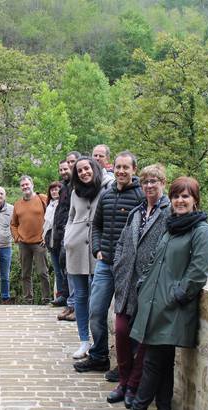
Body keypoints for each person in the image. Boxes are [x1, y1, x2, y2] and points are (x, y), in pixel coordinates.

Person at [129, 177, 208, 410]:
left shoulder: (202, 231)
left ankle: (137, 408)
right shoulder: (172, 227)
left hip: (172, 309)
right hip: (154, 305)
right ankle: (164, 408)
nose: (179, 201)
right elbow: (155, 261)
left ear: (195, 201)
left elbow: (198, 271)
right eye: (176, 196)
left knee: (151, 363)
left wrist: (177, 295)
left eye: (185, 196)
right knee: (163, 364)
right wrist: (142, 283)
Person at [74, 151, 145, 373]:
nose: (122, 171)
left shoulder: (141, 196)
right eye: (119, 167)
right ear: (112, 168)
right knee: (96, 311)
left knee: (128, 317)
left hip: (129, 267)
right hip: (105, 264)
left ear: (134, 170)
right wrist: (97, 249)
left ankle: (128, 364)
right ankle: (99, 356)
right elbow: (97, 226)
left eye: (126, 167)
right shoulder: (107, 195)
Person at [108, 164, 170, 409]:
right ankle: (123, 382)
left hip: (150, 286)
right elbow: (123, 242)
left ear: (163, 183)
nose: (149, 186)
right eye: (145, 182)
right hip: (126, 283)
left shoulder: (168, 212)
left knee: (144, 340)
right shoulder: (137, 212)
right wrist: (117, 266)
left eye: (154, 181)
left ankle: (134, 385)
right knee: (122, 333)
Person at [63, 156, 107, 359]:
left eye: (86, 168)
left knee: (97, 300)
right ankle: (83, 341)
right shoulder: (75, 193)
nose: (83, 173)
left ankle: (100, 345)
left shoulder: (107, 187)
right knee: (80, 297)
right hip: (76, 249)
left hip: (99, 249)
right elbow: (71, 217)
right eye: (79, 171)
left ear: (94, 168)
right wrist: (67, 237)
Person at [11, 175, 51, 305]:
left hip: (40, 242)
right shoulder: (17, 204)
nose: (25, 187)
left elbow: (52, 217)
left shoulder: (43, 199)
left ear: (32, 185)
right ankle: (28, 300)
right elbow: (13, 224)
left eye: (27, 184)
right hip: (24, 244)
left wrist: (47, 236)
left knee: (43, 273)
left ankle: (46, 300)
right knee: (25, 274)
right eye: (22, 185)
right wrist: (17, 237)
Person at [54, 152, 79, 321]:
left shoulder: (78, 185)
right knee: (66, 270)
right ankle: (70, 305)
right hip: (63, 233)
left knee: (74, 271)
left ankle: (76, 307)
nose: (67, 168)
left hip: (74, 233)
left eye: (71, 163)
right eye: (63, 167)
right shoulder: (64, 186)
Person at [42, 181, 64, 308]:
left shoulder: (63, 205)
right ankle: (60, 294)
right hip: (51, 241)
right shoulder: (49, 206)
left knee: (63, 270)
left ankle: (64, 295)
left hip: (60, 241)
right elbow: (47, 225)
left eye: (57, 189)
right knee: (57, 270)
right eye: (52, 190)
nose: (55, 192)